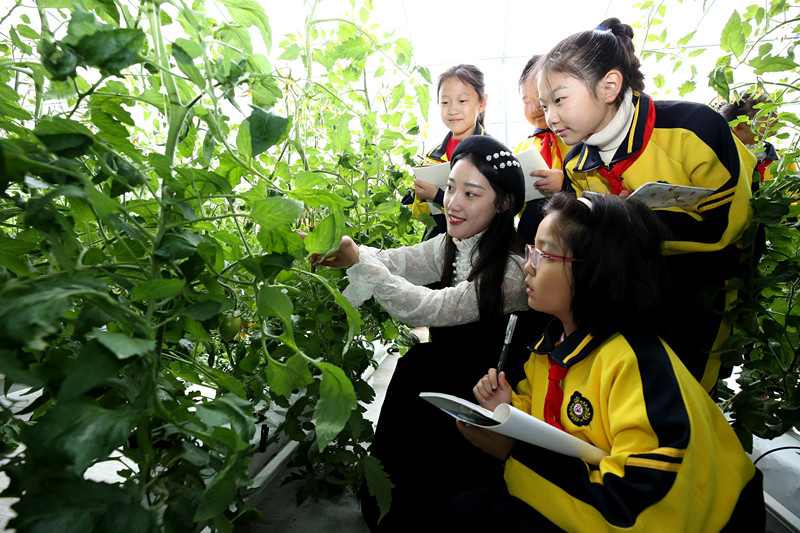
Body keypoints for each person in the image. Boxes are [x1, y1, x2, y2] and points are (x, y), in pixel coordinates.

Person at [451, 192, 765, 532]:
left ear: (597, 271)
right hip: (592, 499)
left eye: (544, 254)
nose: (529, 265)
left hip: (690, 521)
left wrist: (512, 451)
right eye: (531, 250)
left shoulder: (637, 363)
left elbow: (632, 507)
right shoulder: (552, 346)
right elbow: (551, 418)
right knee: (468, 506)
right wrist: (509, 409)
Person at [312, 135, 537, 531]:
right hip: (446, 370)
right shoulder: (453, 241)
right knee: (417, 369)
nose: (453, 202)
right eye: (451, 187)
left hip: (485, 385)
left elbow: (426, 307)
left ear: (503, 203)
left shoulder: (510, 270)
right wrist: (347, 252)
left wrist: (360, 263)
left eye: (471, 193)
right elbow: (396, 261)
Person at [535, 18, 754, 393]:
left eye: (559, 100)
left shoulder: (692, 128)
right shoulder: (575, 164)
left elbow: (727, 226)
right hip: (635, 288)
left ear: (609, 86)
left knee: (687, 392)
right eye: (544, 105)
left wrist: (630, 221)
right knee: (637, 389)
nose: (550, 117)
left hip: (706, 286)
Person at [401, 64, 490, 241]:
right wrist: (417, 195)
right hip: (437, 245)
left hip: (477, 248)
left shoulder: (491, 153)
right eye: (445, 102)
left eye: (462, 101)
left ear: (482, 103)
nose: (452, 110)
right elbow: (420, 215)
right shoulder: (433, 156)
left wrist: (437, 195)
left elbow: (489, 211)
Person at [514, 55, 571, 244]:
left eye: (540, 99)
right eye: (526, 101)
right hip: (530, 236)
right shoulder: (523, 148)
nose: (535, 108)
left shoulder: (574, 140)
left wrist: (564, 182)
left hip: (569, 232)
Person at [719, 92, 779, 185]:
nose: (776, 116)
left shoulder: (779, 158)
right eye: (767, 113)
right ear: (739, 126)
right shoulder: (725, 160)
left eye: (775, 110)